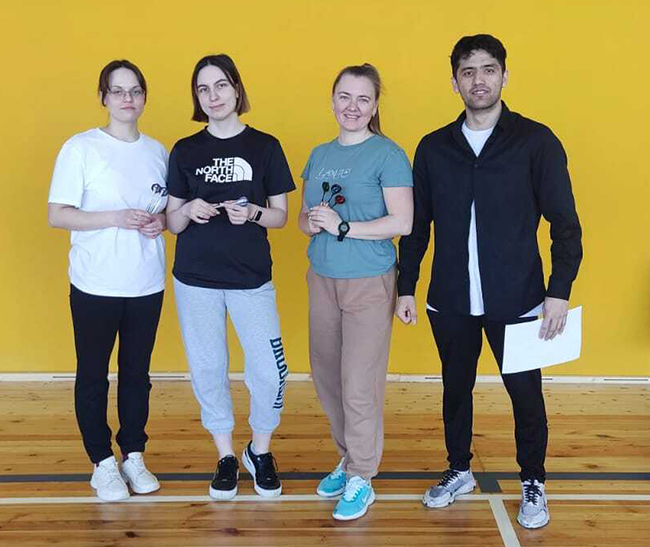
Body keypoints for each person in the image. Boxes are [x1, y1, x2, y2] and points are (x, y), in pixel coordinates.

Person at [396, 34, 583, 529]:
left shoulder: (536, 141)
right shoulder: (434, 147)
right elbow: (417, 226)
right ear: (454, 82)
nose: (478, 80)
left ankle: (533, 480)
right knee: (455, 389)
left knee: (526, 396)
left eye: (488, 69)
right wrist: (406, 286)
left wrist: (558, 291)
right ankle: (459, 469)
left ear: (504, 75)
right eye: (467, 71)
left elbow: (565, 224)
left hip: (518, 299)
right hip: (450, 299)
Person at [166, 54, 295, 501]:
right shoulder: (185, 150)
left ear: (237, 89)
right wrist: (187, 208)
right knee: (208, 368)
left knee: (269, 371)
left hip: (250, 278)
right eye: (203, 89)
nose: (213, 96)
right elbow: (173, 223)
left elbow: (280, 216)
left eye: (220, 85)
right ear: (197, 98)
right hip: (195, 279)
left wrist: (253, 212)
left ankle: (259, 450)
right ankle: (224, 455)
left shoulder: (265, 146)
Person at [48, 60, 168, 502]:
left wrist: (160, 222)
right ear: (103, 98)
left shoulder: (158, 152)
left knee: (137, 375)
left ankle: (133, 454)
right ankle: (102, 462)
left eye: (134, 90)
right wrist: (115, 217)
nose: (127, 99)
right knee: (93, 375)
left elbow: (167, 212)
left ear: (144, 97)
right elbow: (58, 214)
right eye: (117, 91)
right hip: (95, 284)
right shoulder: (81, 148)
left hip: (146, 284)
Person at [299, 63, 413, 521]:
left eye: (363, 99)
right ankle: (348, 458)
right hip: (322, 278)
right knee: (327, 377)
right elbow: (305, 219)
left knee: (358, 383)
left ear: (375, 105)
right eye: (344, 97)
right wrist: (313, 223)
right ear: (332, 101)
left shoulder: (388, 154)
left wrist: (343, 226)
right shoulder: (319, 154)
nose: (352, 106)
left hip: (369, 280)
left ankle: (363, 475)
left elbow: (402, 222)